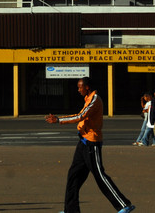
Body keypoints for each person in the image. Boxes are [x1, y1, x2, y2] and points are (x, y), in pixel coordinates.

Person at [46, 77, 135, 213]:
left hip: (91, 144)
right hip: (82, 143)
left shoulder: (95, 99)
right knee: (73, 177)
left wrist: (59, 120)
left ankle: (124, 205)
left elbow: (80, 116)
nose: (78, 90)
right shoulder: (87, 98)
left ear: (87, 87)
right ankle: (71, 210)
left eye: (80, 87)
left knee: (100, 176)